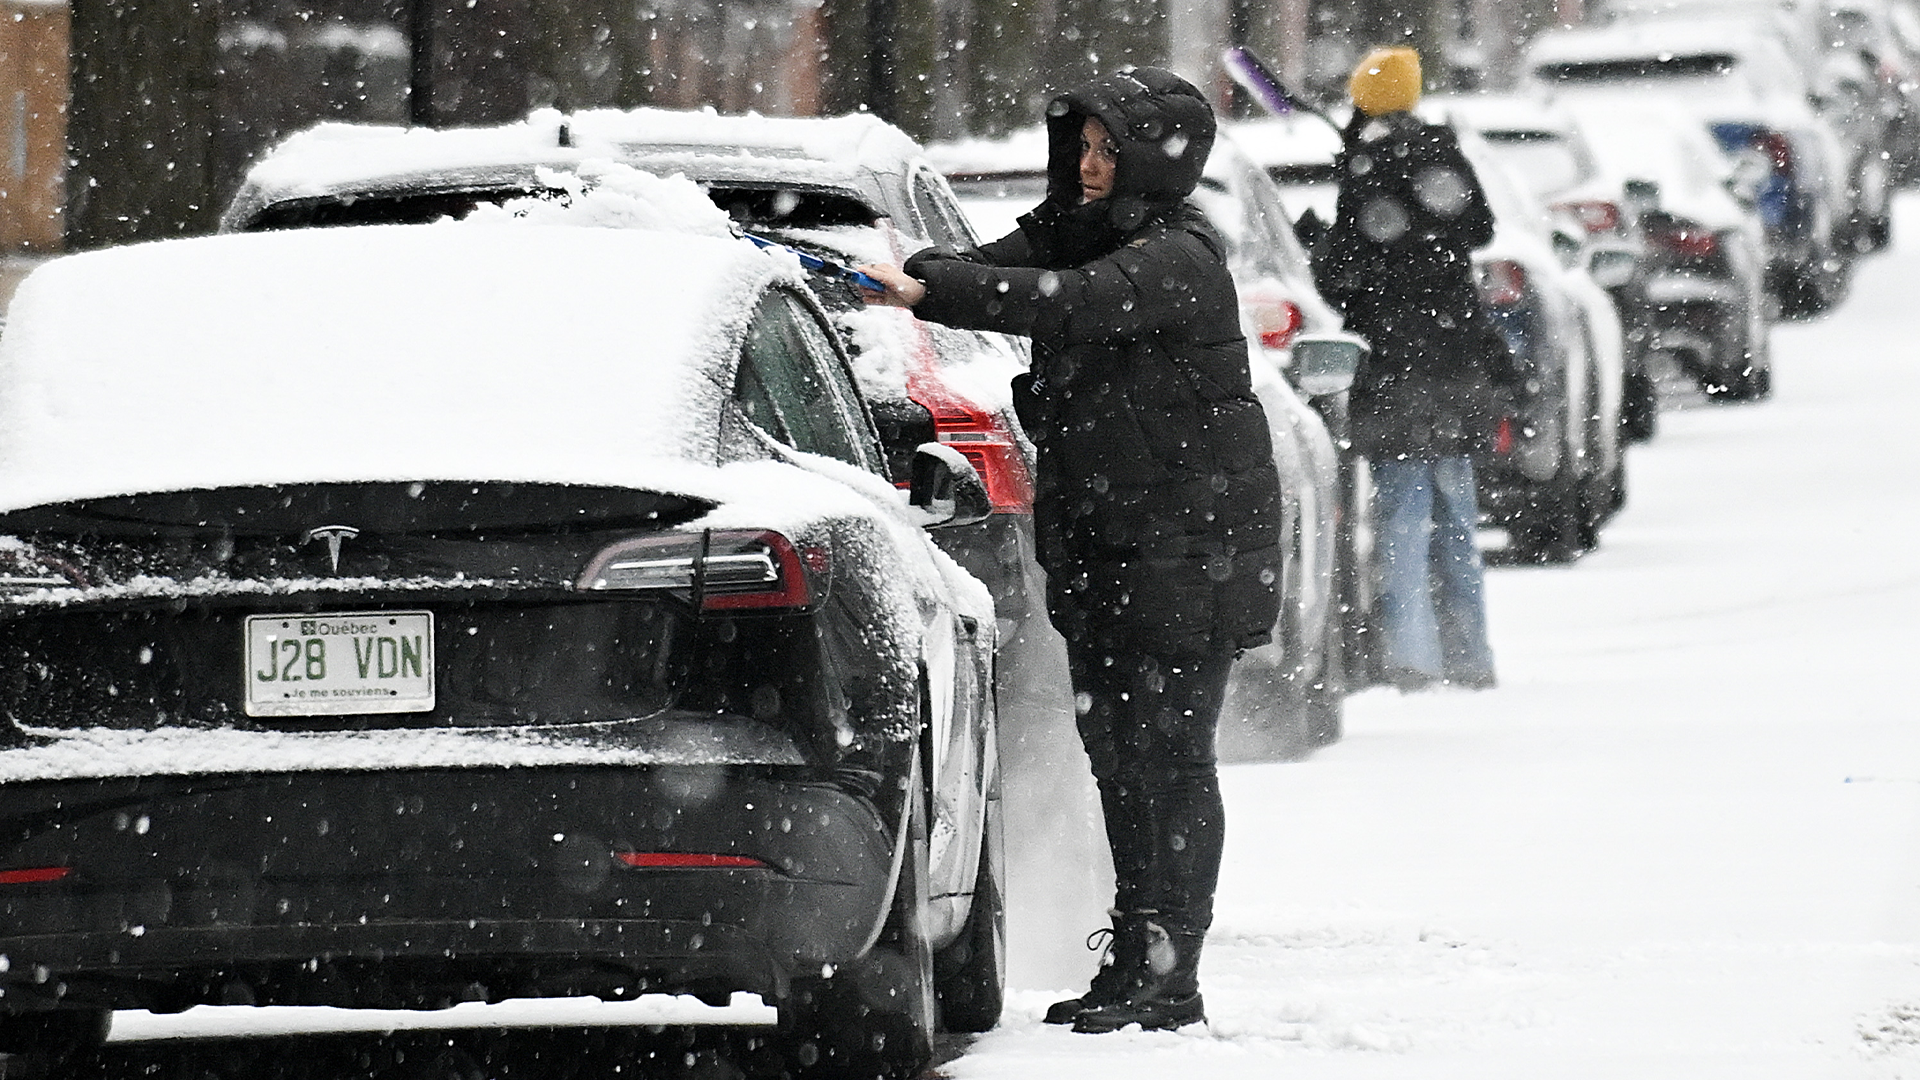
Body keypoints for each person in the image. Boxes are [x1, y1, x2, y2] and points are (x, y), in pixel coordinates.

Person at [857, 67, 1282, 1034]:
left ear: (1154, 157)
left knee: (1169, 757)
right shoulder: (1080, 228)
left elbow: (1060, 302)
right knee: (1119, 757)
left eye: (1108, 149)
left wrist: (930, 289)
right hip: (1108, 547)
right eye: (1082, 147)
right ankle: (1135, 951)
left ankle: (1170, 970)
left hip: (1191, 549)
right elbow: (995, 265)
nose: (1089, 166)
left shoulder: (1179, 256)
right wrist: (906, 275)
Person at [1311, 46, 1510, 692]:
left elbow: (1342, 275)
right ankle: (1470, 654)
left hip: (1394, 368)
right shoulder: (1440, 156)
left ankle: (1413, 658)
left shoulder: (1365, 166)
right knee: (1455, 511)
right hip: (1454, 362)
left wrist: (1329, 238)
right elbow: (1479, 227)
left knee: (1401, 515)